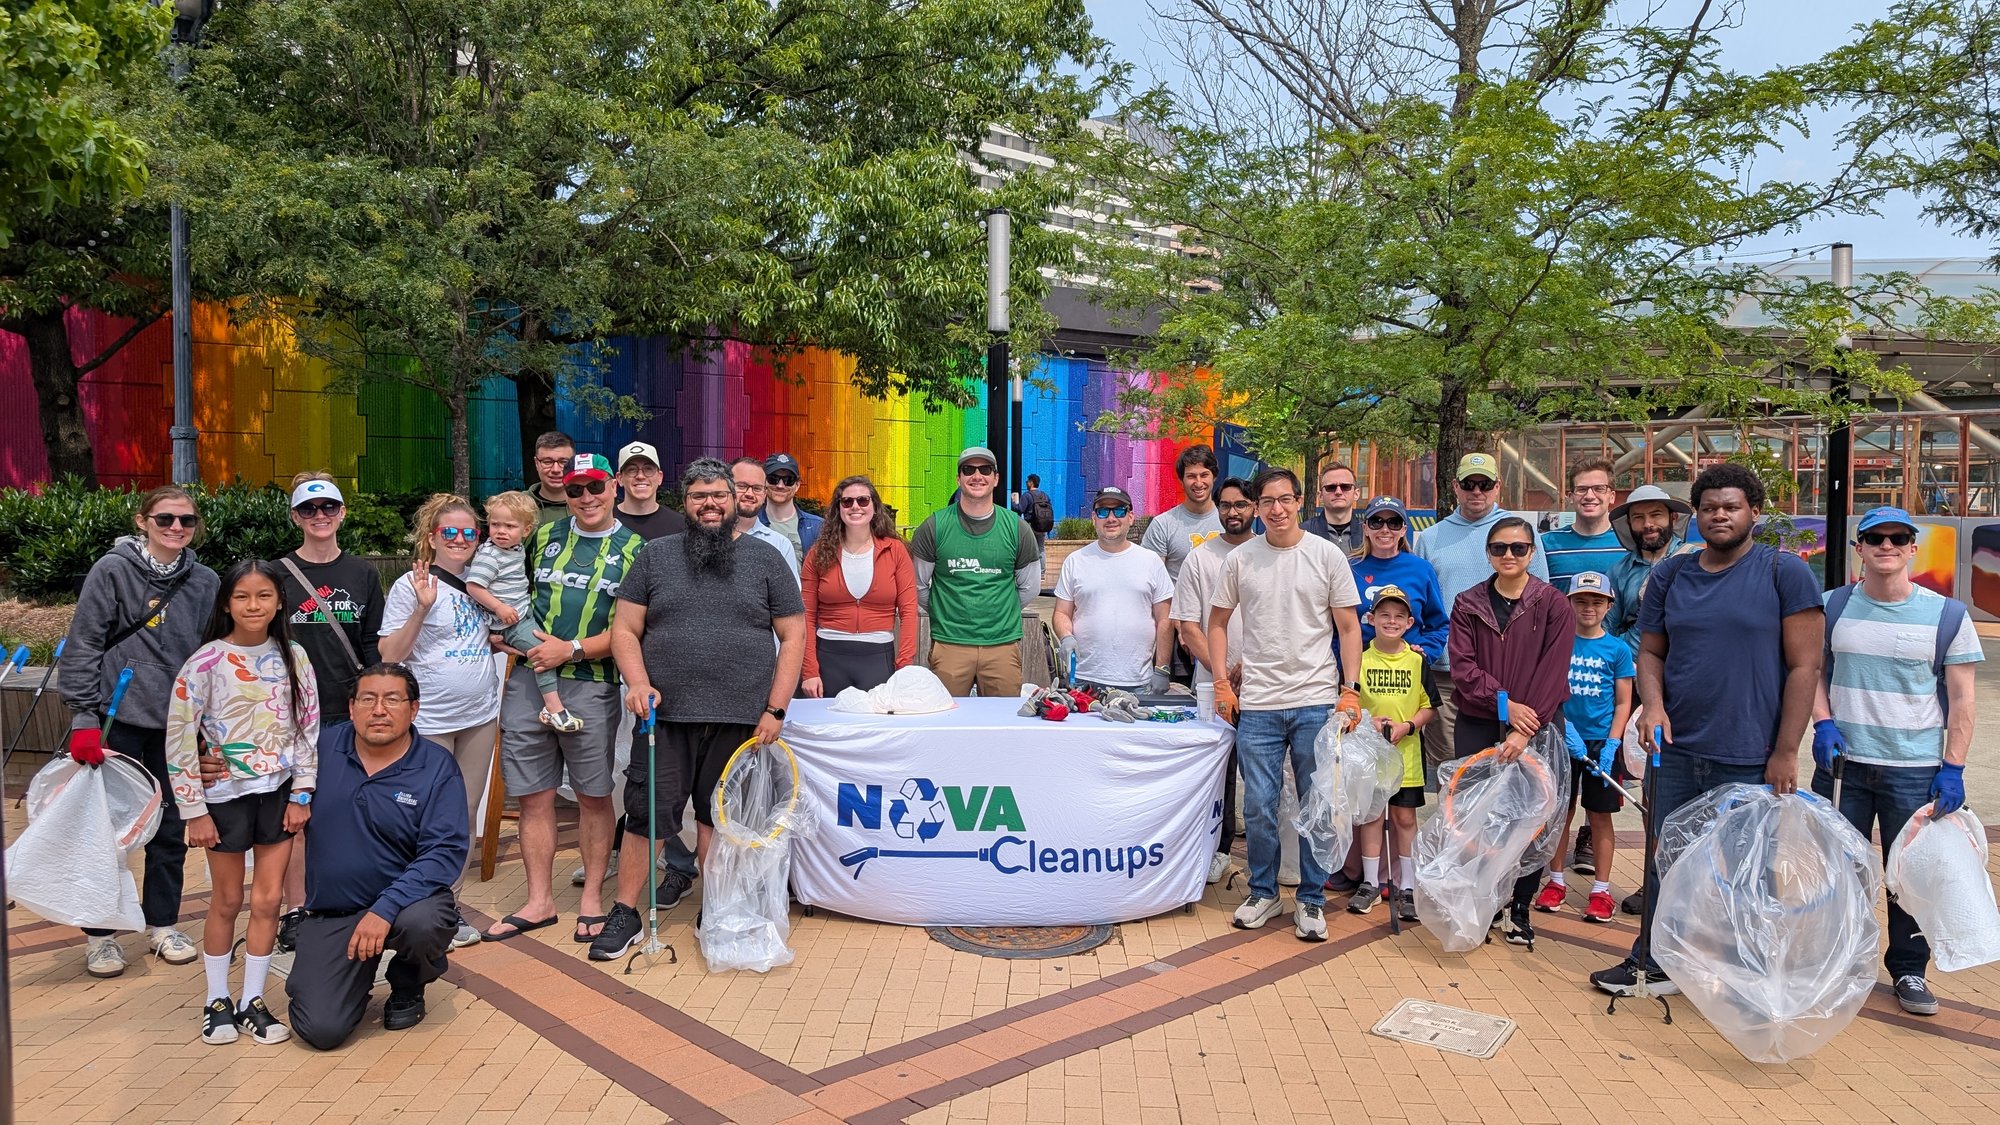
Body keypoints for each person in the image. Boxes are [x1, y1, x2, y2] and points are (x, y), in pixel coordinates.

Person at [1590, 463, 1823, 997]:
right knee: (1665, 856)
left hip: (1748, 749)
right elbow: (1650, 651)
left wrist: (1787, 749)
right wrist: (1653, 707)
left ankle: (1747, 971)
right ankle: (1652, 960)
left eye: (1731, 506)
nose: (1720, 515)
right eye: (1710, 506)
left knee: (1746, 868)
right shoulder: (1673, 575)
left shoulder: (1783, 572)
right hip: (1674, 749)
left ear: (1754, 514)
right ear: (1695, 516)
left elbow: (1805, 668)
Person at [593, 459, 806, 960]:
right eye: (698, 497)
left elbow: (793, 635)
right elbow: (625, 629)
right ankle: (626, 910)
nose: (709, 505)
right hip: (662, 717)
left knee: (721, 818)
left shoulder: (766, 559)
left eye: (718, 496)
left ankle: (719, 908)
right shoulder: (654, 556)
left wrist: (775, 710)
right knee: (648, 814)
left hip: (741, 716)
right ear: (683, 503)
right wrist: (638, 683)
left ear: (735, 501)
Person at [1811, 506, 1983, 1016]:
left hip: (1915, 768)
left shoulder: (1948, 615)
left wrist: (1953, 767)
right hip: (1845, 766)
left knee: (1908, 872)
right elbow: (1811, 672)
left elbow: (1964, 699)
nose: (1886, 546)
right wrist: (1821, 721)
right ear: (1858, 548)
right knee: (1838, 869)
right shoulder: (1831, 607)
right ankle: (1840, 958)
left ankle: (1908, 968)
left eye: (1898, 538)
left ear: (1913, 548)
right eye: (1875, 538)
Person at [58, 485, 220, 978]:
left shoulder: (206, 581)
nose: (176, 528)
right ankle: (101, 935)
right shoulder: (112, 571)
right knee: (107, 833)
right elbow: (84, 642)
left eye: (186, 521)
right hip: (116, 719)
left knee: (170, 830)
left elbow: (210, 653)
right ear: (142, 521)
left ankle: (162, 924)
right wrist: (83, 716)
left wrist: (208, 725)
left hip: (176, 725)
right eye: (166, 519)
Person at [486, 453, 645, 943]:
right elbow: (506, 588)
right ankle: (539, 902)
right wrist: (503, 631)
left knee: (594, 796)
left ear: (614, 486)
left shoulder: (637, 549)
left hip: (592, 682)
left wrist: (570, 648)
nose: (586, 497)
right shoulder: (544, 537)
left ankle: (594, 896)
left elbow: (631, 628)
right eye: (575, 490)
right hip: (528, 679)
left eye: (595, 486)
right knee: (534, 796)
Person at [1207, 467, 1364, 942]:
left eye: (1285, 499)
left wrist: (1350, 688)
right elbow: (1216, 623)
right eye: (1267, 501)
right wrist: (1221, 682)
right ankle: (1264, 891)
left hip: (1316, 699)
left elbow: (1349, 628)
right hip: (1258, 703)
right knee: (1257, 805)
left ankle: (1312, 900)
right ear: (1256, 506)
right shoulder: (1241, 560)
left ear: (1300, 503)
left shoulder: (1326, 555)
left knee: (1318, 803)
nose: (1276, 509)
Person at [167, 560, 319, 1045]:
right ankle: (217, 1000)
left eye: (264, 596)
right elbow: (179, 738)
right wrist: (193, 809)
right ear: (226, 603)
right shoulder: (205, 662)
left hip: (277, 795)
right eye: (242, 597)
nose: (253, 606)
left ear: (279, 602)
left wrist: (301, 793)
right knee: (228, 899)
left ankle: (254, 999)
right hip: (225, 798)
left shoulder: (294, 656)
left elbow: (306, 730)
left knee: (269, 900)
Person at [285, 664, 467, 1049]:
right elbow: (260, 773)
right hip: (334, 910)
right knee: (321, 1029)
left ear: (414, 709)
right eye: (368, 699)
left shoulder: (436, 766)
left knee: (427, 922)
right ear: (351, 708)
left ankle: (408, 982)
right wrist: (209, 766)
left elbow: (444, 851)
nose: (379, 710)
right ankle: (353, 978)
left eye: (392, 700)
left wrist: (385, 909)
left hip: (405, 905)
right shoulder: (317, 752)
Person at [375, 493, 505, 950]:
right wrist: (423, 608)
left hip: (480, 715)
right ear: (432, 537)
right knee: (424, 817)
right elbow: (390, 655)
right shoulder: (412, 585)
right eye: (450, 532)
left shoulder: (483, 581)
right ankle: (412, 906)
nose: (461, 540)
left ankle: (448, 906)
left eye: (470, 532)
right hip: (430, 719)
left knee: (464, 814)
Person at [1447, 517, 1576, 950]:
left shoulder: (1553, 603)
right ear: (1487, 553)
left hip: (1537, 728)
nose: (1508, 555)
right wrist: (1505, 705)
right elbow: (1463, 669)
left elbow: (1553, 671)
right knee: (1478, 818)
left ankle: (1519, 908)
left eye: (1518, 548)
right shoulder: (1467, 603)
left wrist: (1524, 726)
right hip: (1480, 722)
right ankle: (1485, 903)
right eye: (1500, 548)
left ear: (1531, 553)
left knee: (1530, 821)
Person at [273, 474, 382, 949]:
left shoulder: (362, 573)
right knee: (296, 814)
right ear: (296, 516)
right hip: (291, 713)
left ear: (342, 512)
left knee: (348, 811)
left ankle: (349, 898)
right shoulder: (275, 573)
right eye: (309, 510)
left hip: (346, 709)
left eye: (329, 508)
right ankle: (295, 908)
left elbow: (372, 646)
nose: (320, 517)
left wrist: (377, 703)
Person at [1416, 452, 1549, 767]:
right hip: (1449, 674)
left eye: (1485, 484)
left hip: (1511, 672)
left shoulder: (1519, 535)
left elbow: (1539, 600)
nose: (1477, 491)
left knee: (1514, 768)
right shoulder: (1432, 538)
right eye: (1469, 484)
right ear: (1455, 486)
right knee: (1455, 770)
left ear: (1498, 486)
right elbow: (1423, 606)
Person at [1530, 571, 1633, 924]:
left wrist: (1613, 742)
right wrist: (1562, 722)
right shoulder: (1558, 642)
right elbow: (1546, 687)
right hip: (1562, 737)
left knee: (1600, 815)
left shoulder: (1618, 649)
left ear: (1608, 606)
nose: (1588, 608)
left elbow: (1623, 702)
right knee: (1560, 813)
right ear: (1569, 603)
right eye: (1581, 601)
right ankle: (1556, 881)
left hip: (1601, 742)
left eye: (1596, 601)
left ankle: (1601, 890)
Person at [1172, 477, 1255, 884]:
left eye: (1241, 504)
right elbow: (1188, 626)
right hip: (1212, 686)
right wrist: (1222, 674)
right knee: (1217, 772)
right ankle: (1217, 848)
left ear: (1255, 507)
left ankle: (1263, 854)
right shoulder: (1200, 558)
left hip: (1264, 684)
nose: (1232, 512)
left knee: (1262, 772)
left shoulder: (1269, 552)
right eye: (1225, 505)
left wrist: (1251, 667)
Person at [910, 446, 1043, 696]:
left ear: (996, 478)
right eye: (968, 469)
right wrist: (944, 610)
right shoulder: (934, 526)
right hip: (950, 644)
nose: (977, 475)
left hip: (1001, 645)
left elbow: (1030, 587)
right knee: (946, 722)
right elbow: (917, 585)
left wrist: (998, 612)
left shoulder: (1017, 528)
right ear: (958, 478)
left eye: (985, 469)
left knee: (1001, 726)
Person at [1349, 586, 1438, 923]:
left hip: (1407, 758)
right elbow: (1349, 703)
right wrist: (1366, 721)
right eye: (1383, 614)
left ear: (1410, 621)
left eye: (1399, 616)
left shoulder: (1417, 660)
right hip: (1370, 756)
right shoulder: (1360, 659)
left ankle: (1409, 886)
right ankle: (1370, 882)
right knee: (1372, 816)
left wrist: (1408, 727)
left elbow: (1429, 707)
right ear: (1370, 619)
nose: (1391, 621)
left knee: (1404, 819)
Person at [468, 490, 582, 733]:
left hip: (522, 613)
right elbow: (474, 586)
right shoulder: (490, 555)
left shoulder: (514, 549)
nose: (501, 531)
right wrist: (498, 607)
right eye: (495, 524)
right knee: (543, 654)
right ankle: (553, 708)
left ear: (526, 530)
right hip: (509, 623)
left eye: (509, 526)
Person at [800, 475, 918, 697]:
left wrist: (904, 667)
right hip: (829, 657)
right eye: (847, 502)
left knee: (877, 727)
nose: (855, 506)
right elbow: (805, 615)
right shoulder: (818, 554)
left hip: (877, 656)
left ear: (874, 506)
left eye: (863, 500)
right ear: (839, 509)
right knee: (829, 728)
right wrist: (809, 670)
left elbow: (909, 612)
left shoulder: (895, 551)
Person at [1054, 486, 1175, 693]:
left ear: (1130, 517)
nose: (1111, 518)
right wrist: (1066, 637)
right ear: (1094, 518)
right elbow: (1061, 613)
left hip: (1138, 683)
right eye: (1103, 511)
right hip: (1084, 682)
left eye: (1119, 511)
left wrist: (1162, 669)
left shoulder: (1151, 561)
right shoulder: (1075, 561)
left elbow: (1165, 619)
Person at [1606, 484, 1693, 655]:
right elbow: (1607, 629)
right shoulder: (1619, 571)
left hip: (1684, 666)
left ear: (1673, 517)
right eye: (1638, 517)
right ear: (1629, 523)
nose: (1647, 524)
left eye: (1656, 515)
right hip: (1631, 670)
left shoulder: (1694, 561)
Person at [1539, 457, 1627, 586]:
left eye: (1599, 488)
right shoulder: (1547, 545)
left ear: (1612, 496)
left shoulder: (1629, 543)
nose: (1590, 496)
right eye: (1582, 489)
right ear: (1571, 497)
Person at [1141, 446, 1223, 581]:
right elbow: (1151, 580)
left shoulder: (1231, 521)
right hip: (1178, 602)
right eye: (1191, 476)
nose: (1198, 483)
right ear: (1181, 480)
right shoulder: (1163, 525)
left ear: (1214, 477)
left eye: (1204, 475)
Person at [730, 457, 802, 581]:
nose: (749, 493)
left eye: (757, 488)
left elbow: (788, 598)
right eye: (741, 486)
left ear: (764, 493)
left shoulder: (780, 544)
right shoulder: (706, 536)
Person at [613, 441, 687, 541]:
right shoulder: (604, 523)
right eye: (632, 470)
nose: (640, 476)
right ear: (620, 478)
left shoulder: (681, 526)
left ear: (660, 477)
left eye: (648, 469)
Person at [758, 451, 823, 560]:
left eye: (788, 480)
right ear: (763, 482)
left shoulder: (818, 527)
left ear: (797, 485)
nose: (780, 485)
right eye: (773, 479)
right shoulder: (750, 523)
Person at [1301, 462, 1364, 553]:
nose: (1338, 492)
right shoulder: (1303, 533)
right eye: (1331, 487)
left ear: (1356, 494)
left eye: (1345, 487)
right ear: (1320, 495)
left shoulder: (1368, 534)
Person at [526, 431, 577, 526]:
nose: (555, 470)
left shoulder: (587, 505)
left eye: (563, 462)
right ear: (537, 463)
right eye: (547, 462)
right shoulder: (516, 506)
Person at [1013, 473, 1056, 541]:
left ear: (1031, 483)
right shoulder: (1045, 495)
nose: (1026, 483)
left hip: (1031, 525)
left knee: (1030, 547)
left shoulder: (1027, 495)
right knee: (1041, 547)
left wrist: (1013, 503)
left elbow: (1020, 510)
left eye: (1027, 481)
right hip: (1043, 525)